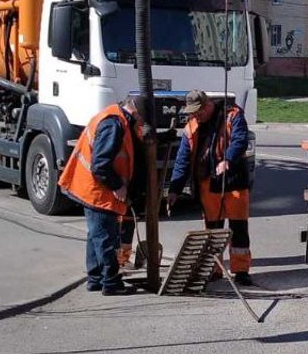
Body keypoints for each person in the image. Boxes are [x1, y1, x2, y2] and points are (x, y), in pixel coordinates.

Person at [59, 96, 148, 295]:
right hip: (98, 190)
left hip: (93, 188)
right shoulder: (113, 124)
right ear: (135, 112)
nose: (141, 125)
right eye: (142, 120)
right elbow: (100, 164)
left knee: (96, 236)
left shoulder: (117, 119)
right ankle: (111, 283)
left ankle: (96, 279)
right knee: (106, 238)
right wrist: (117, 186)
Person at [165, 90, 253, 286]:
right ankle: (214, 269)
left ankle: (241, 270)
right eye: (192, 113)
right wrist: (175, 189)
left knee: (239, 228)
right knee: (212, 230)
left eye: (198, 112)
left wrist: (227, 159)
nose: (195, 116)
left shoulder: (233, 115)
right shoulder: (191, 126)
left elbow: (240, 140)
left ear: (207, 106)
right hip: (207, 183)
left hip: (234, 181)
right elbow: (183, 160)